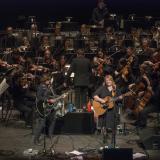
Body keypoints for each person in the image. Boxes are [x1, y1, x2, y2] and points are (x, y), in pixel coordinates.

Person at [93, 75, 123, 145]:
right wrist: (101, 100)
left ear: (112, 81)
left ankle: (112, 139)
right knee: (103, 124)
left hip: (113, 109)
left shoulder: (115, 89)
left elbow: (120, 97)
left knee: (113, 125)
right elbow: (94, 96)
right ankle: (104, 137)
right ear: (105, 82)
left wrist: (120, 98)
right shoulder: (102, 88)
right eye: (107, 81)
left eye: (109, 80)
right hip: (103, 108)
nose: (108, 82)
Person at [33, 75, 57, 145]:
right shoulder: (41, 87)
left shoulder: (48, 87)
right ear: (45, 80)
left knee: (53, 119)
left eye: (50, 80)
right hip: (41, 106)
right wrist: (48, 100)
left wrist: (57, 97)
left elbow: (52, 95)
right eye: (48, 80)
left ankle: (50, 134)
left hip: (48, 106)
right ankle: (36, 139)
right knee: (42, 123)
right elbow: (39, 97)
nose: (50, 81)